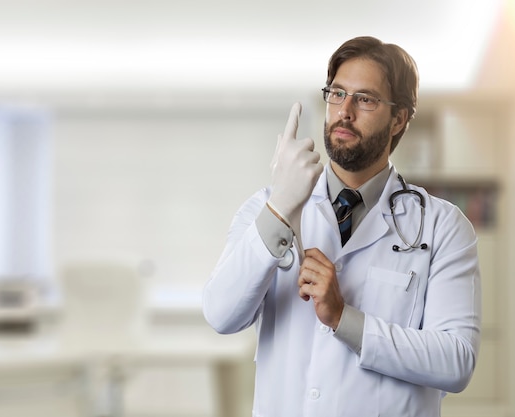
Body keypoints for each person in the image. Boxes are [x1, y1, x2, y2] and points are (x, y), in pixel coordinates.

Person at [202, 36, 481, 417]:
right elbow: (221, 314)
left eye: (365, 99)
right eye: (337, 93)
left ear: (399, 118)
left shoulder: (443, 226)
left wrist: (343, 319)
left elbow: (456, 362)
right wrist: (280, 207)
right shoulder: (268, 208)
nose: (344, 111)